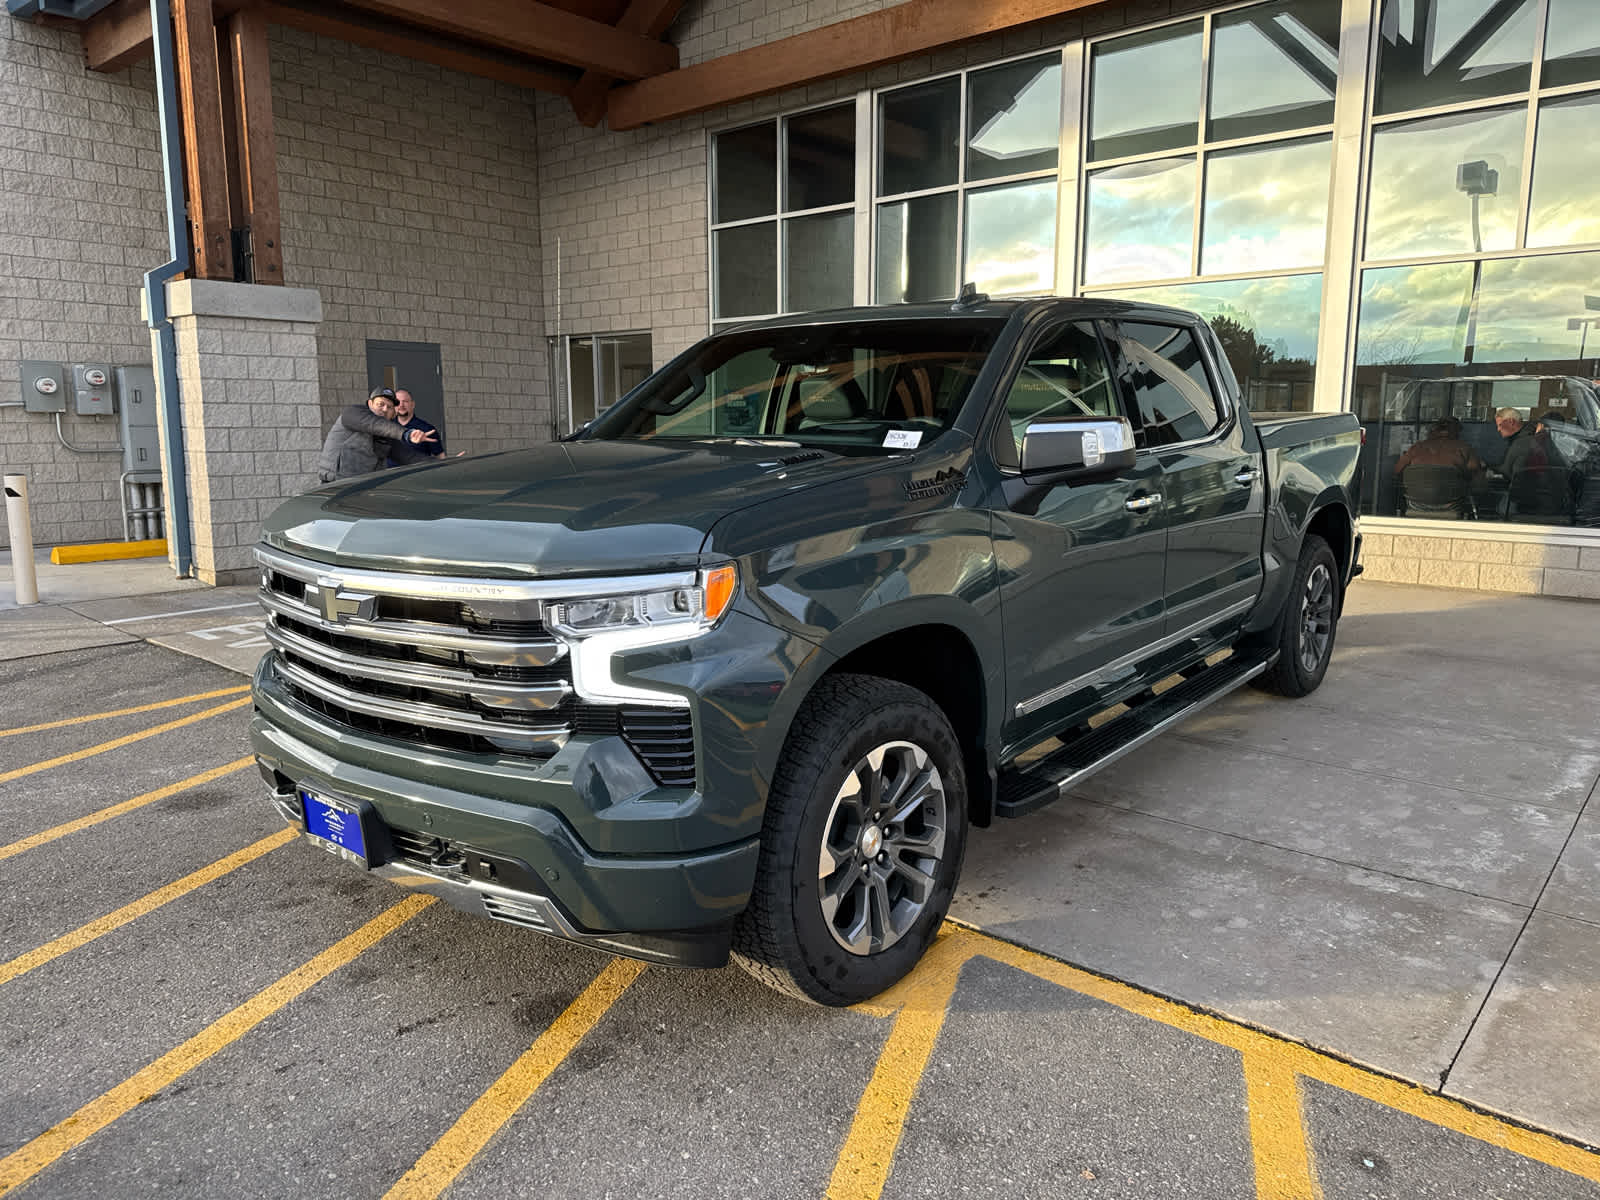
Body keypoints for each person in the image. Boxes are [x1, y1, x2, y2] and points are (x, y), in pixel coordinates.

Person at [315, 386, 438, 484]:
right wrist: (407, 434)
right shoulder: (353, 413)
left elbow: (410, 457)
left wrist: (445, 464)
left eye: (389, 407)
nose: (385, 409)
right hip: (334, 486)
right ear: (370, 404)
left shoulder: (386, 435)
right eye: (380, 404)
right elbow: (375, 424)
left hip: (362, 488)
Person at [1393, 416, 1484, 477]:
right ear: (1456, 432)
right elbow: (1476, 476)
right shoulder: (1464, 448)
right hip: (1451, 499)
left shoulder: (1417, 448)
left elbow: (1397, 471)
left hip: (1416, 499)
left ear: (1434, 430)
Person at [389, 388, 443, 465]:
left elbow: (440, 457)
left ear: (413, 404)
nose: (401, 405)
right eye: (397, 402)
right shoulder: (388, 427)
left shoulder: (427, 429)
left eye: (405, 401)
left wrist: (451, 464)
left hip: (419, 472)